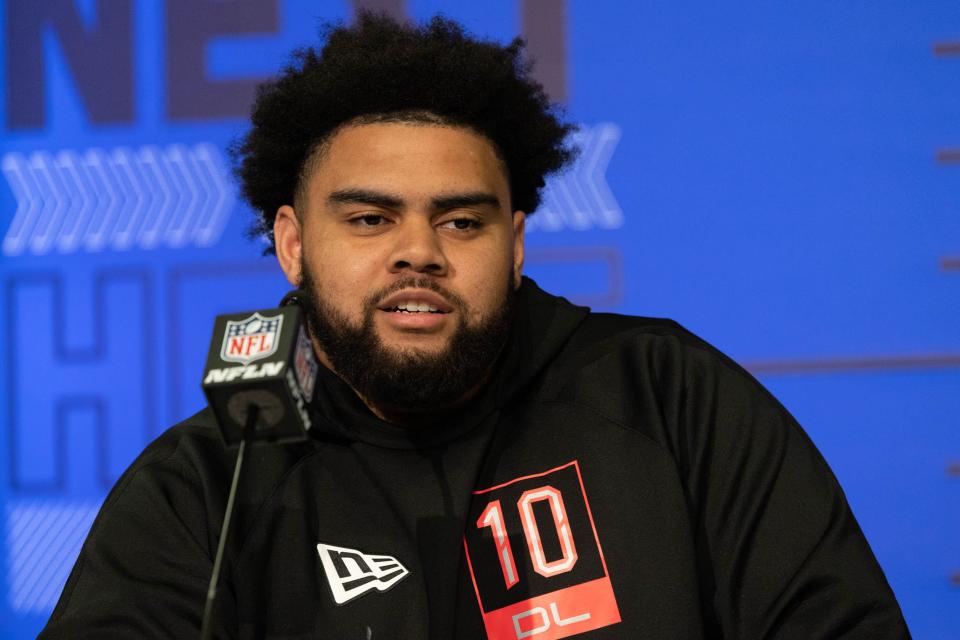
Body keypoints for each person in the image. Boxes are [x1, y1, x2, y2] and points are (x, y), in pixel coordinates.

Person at [40, 13, 910, 639]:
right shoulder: (206, 488)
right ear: (293, 245)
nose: (419, 253)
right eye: (371, 220)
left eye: (462, 222)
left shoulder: (669, 399)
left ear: (518, 241)